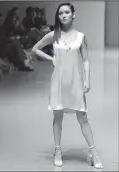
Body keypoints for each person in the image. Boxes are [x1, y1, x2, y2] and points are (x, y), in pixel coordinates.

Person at [32, 2, 103, 169]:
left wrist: (87, 80)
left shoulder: (80, 37)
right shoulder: (53, 35)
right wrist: (51, 59)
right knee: (57, 116)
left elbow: (85, 60)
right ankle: (57, 150)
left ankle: (94, 152)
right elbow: (35, 49)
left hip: (76, 82)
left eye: (66, 12)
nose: (63, 15)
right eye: (60, 13)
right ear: (58, 16)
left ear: (73, 14)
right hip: (58, 82)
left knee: (83, 117)